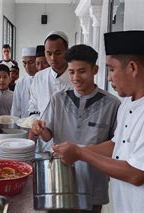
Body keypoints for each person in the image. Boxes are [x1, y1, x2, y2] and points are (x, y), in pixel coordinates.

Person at [53, 31, 144, 213]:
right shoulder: (128, 102)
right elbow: (116, 145)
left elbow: (137, 174)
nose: (109, 77)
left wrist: (80, 153)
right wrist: (71, 150)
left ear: (133, 68)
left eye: (111, 69)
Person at [31, 44, 120, 213]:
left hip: (93, 182)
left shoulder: (112, 105)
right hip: (60, 180)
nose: (76, 78)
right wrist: (40, 129)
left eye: (82, 71)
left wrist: (83, 152)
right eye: (71, 72)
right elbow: (47, 136)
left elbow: (115, 147)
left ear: (95, 69)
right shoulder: (59, 99)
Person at [28, 31, 73, 151]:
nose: (53, 58)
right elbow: (34, 107)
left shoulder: (75, 77)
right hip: (44, 143)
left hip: (69, 142)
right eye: (49, 53)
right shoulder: (39, 77)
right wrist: (37, 124)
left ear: (67, 51)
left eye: (58, 53)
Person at [11, 47, 38, 118]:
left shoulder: (44, 80)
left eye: (30, 62)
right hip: (23, 125)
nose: (27, 67)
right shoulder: (21, 82)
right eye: (24, 63)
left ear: (37, 61)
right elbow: (16, 108)